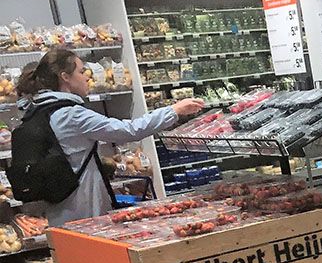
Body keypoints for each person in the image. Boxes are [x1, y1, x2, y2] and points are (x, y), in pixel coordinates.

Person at [15, 48, 204, 225]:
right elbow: (128, 131)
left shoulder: (38, 110)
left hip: (59, 209)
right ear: (65, 77)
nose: (87, 78)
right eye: (81, 72)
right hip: (84, 211)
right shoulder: (71, 115)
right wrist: (174, 110)